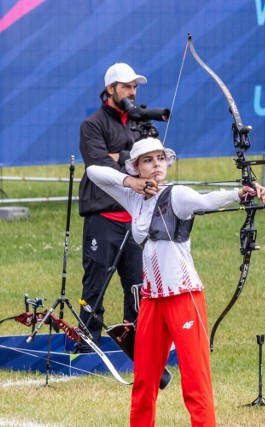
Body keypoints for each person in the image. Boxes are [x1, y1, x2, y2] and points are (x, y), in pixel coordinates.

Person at [86, 137, 265, 427]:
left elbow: (206, 201)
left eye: (160, 158)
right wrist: (130, 183)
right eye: (147, 160)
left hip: (184, 296)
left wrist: (240, 193)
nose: (156, 165)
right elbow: (94, 172)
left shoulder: (177, 194)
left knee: (195, 380)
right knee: (145, 380)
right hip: (152, 301)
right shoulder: (133, 196)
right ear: (137, 168)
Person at [77, 63, 149, 351]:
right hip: (103, 215)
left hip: (133, 217)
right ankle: (88, 344)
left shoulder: (137, 122)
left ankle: (135, 343)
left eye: (135, 87)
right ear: (110, 89)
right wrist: (128, 164)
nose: (132, 92)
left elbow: (149, 160)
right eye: (127, 87)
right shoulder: (92, 125)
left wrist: (122, 156)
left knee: (136, 286)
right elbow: (98, 163)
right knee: (95, 284)